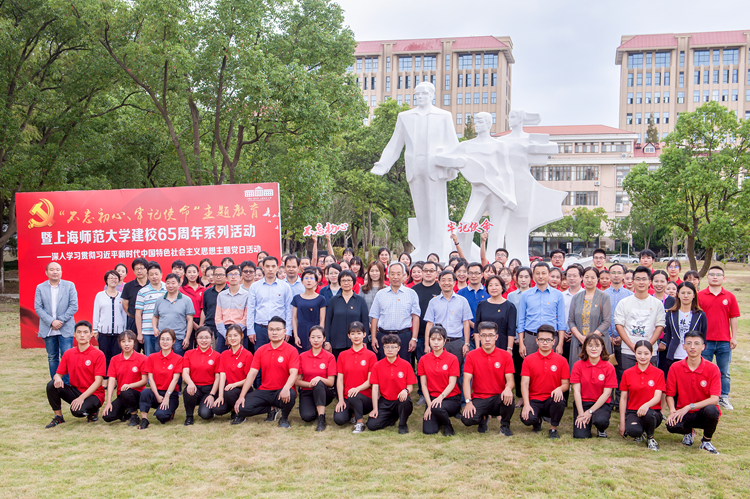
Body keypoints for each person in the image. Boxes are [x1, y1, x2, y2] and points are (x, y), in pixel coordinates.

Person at [233, 317, 299, 428]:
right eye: (271, 329)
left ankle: (284, 418)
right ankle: (271, 409)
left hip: (281, 390)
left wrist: (286, 387)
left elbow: (294, 373)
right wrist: (242, 396)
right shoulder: (261, 350)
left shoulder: (291, 350)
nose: (274, 332)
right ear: (267, 331)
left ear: (284, 331)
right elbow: (252, 374)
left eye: (278, 329)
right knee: (241, 408)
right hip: (264, 390)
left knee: (291, 394)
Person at [665, 331, 722, 454]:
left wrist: (689, 406)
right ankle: (689, 432)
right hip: (683, 413)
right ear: (683, 346)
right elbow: (669, 394)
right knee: (671, 425)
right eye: (689, 343)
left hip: (702, 412)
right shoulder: (675, 367)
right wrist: (672, 411)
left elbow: (714, 399)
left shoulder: (713, 369)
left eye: (696, 343)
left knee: (712, 410)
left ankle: (706, 441)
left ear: (703, 347)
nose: (692, 347)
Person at [44, 321, 105, 428]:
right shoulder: (68, 353)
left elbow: (98, 381)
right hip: (76, 391)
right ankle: (58, 417)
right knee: (51, 385)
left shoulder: (98, 354)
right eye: (79, 332)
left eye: (85, 332)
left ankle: (93, 410)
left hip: (94, 394)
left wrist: (81, 398)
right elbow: (58, 374)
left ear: (91, 335)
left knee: (77, 412)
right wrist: (57, 378)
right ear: (74, 334)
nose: (82, 335)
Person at [461, 322, 515, 436]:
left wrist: (508, 388)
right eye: (484, 335)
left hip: (498, 397)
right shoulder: (471, 355)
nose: (487, 339)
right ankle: (483, 419)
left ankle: (505, 425)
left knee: (509, 398)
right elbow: (466, 380)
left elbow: (510, 380)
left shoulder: (505, 355)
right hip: (480, 397)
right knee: (467, 419)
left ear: (496, 337)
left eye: (490, 335)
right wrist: (468, 401)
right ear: (479, 337)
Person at [697, 266, 740, 410]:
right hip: (705, 341)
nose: (715, 277)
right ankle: (704, 396)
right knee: (704, 370)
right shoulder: (700, 295)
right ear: (708, 277)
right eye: (712, 274)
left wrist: (734, 337)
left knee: (724, 372)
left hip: (724, 341)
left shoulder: (729, 296)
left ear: (723, 278)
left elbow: (733, 317)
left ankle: (723, 397)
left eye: (718, 275)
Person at [519, 325, 570, 438]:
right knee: (527, 419)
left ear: (554, 342)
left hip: (552, 399)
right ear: (537, 341)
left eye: (548, 340)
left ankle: (553, 428)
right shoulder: (528, 360)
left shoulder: (561, 360)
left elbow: (566, 384)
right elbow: (524, 384)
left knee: (560, 400)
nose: (545, 343)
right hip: (534, 399)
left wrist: (559, 389)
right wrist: (526, 404)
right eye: (542, 339)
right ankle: (537, 421)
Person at [615, 266, 666, 371]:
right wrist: (630, 345)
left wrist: (647, 346)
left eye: (644, 279)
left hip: (650, 352)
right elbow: (619, 325)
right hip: (628, 351)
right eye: (638, 279)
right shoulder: (624, 303)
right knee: (628, 378)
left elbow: (660, 326)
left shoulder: (657, 304)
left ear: (649, 282)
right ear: (633, 281)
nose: (641, 282)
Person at [618, 340, 665, 451]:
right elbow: (623, 398)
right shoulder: (627, 373)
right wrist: (622, 422)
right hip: (633, 411)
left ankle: (650, 438)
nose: (642, 356)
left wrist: (646, 405)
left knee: (648, 414)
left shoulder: (659, 373)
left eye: (646, 353)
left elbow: (658, 396)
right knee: (633, 431)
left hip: (652, 412)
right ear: (635, 354)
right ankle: (641, 432)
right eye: (639, 353)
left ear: (651, 354)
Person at [35, 262, 79, 380]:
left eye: (58, 269)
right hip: (48, 328)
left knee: (66, 356)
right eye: (52, 269)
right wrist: (51, 322)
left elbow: (74, 306)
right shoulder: (40, 287)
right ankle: (55, 383)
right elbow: (38, 307)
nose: (55, 272)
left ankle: (67, 384)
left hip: (65, 326)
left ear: (61, 272)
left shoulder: (69, 285)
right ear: (46, 272)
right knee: (52, 357)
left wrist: (59, 321)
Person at [366, 334, 417, 433]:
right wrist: (375, 409)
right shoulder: (377, 365)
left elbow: (410, 387)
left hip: (400, 400)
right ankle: (392, 418)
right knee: (371, 425)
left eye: (393, 347)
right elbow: (375, 389)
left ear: (398, 348)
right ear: (383, 348)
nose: (390, 350)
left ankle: (402, 424)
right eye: (387, 347)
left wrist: (405, 391)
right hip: (385, 401)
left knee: (405, 401)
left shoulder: (406, 365)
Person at [369, 262, 420, 360]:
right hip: (384, 335)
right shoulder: (380, 294)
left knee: (404, 365)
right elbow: (375, 317)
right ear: (388, 275)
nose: (395, 277)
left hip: (404, 336)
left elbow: (415, 317)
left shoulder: (411, 294)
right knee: (383, 364)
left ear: (404, 275)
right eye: (392, 274)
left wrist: (414, 338)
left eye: (398, 274)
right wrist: (374, 337)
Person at [424, 270, 472, 373]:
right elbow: (429, 324)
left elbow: (466, 323)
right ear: (439, 282)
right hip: (438, 342)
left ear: (454, 282)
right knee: (438, 371)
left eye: (449, 280)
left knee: (456, 372)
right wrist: (427, 344)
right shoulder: (433, 302)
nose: (446, 283)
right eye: (443, 280)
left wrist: (466, 344)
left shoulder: (462, 301)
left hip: (456, 343)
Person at [570, 334, 617, 438]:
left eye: (597, 345)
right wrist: (581, 413)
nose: (593, 348)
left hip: (601, 404)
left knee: (601, 420)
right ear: (585, 348)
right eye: (590, 345)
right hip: (583, 403)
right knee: (580, 436)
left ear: (602, 348)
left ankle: (601, 429)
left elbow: (607, 394)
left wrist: (590, 412)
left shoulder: (609, 367)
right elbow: (576, 391)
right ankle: (588, 422)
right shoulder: (577, 365)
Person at [333, 322, 377, 432]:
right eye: (352, 333)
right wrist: (341, 400)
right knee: (339, 419)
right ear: (349, 336)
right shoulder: (343, 355)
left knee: (355, 395)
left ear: (364, 335)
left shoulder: (371, 355)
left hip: (365, 398)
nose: (356, 336)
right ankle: (352, 413)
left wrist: (357, 389)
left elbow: (370, 380)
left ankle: (360, 423)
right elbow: (340, 380)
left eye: (359, 333)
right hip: (347, 397)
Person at [418, 326, 461, 436]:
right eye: (433, 339)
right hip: (432, 399)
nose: (436, 342)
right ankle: (439, 416)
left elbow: (452, 383)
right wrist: (429, 405)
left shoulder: (452, 358)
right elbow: (423, 384)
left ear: (444, 341)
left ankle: (447, 426)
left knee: (438, 407)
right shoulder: (423, 359)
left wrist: (440, 398)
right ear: (429, 340)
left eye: (439, 339)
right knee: (429, 431)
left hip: (450, 398)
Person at [517, 263, 566, 358]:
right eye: (537, 273)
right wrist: (521, 344)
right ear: (533, 275)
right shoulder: (525, 295)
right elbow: (521, 320)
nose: (540, 276)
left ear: (549, 275)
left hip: (551, 338)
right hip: (531, 337)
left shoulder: (558, 295)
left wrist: (560, 344)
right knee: (531, 365)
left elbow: (561, 321)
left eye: (543, 273)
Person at [568, 267, 613, 368]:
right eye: (587, 277)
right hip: (579, 340)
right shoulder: (576, 297)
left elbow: (606, 321)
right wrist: (580, 337)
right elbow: (571, 321)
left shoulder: (604, 297)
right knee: (579, 370)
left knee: (599, 371)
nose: (589, 280)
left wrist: (591, 339)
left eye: (593, 277)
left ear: (597, 279)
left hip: (598, 341)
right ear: (582, 278)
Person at [138, 328, 182, 429]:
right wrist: (157, 395)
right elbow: (150, 378)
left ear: (173, 341)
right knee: (145, 392)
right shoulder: (152, 357)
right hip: (156, 392)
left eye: (168, 339)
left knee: (162, 417)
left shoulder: (178, 358)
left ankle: (169, 411)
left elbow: (175, 380)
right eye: (162, 339)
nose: (165, 342)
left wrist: (167, 396)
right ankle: (144, 419)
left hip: (171, 394)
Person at [247, 257, 294, 351]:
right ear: (263, 268)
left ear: (277, 268)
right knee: (261, 355)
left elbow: (289, 309)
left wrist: (288, 330)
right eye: (267, 266)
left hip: (279, 328)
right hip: (260, 328)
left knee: (279, 356)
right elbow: (251, 309)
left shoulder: (285, 286)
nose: (270, 269)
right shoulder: (255, 286)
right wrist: (250, 330)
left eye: (273, 266)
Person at [101, 330, 148, 425]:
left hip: (138, 394)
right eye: (123, 341)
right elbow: (111, 381)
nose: (126, 344)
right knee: (107, 416)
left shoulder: (142, 358)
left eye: (129, 341)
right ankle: (126, 411)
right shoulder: (114, 360)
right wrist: (108, 402)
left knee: (126, 391)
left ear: (134, 342)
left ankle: (134, 416)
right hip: (123, 395)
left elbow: (144, 381)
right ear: (119, 343)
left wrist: (130, 385)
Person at [411, 260, 441, 404]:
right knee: (422, 365)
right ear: (422, 272)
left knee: (437, 366)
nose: (428, 273)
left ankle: (437, 391)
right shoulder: (414, 290)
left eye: (431, 270)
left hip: (438, 335)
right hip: (420, 334)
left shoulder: (441, 288)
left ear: (436, 273)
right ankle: (422, 393)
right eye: (426, 270)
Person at [296, 326, 337, 431]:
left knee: (318, 383)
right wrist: (310, 384)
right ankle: (314, 408)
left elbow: (331, 382)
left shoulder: (330, 357)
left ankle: (321, 418)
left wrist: (319, 378)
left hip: (324, 392)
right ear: (309, 339)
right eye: (313, 337)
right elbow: (297, 381)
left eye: (319, 337)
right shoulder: (302, 356)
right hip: (307, 391)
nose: (316, 340)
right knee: (307, 417)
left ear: (324, 339)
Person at [661, 282, 707, 377]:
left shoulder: (700, 315)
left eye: (689, 293)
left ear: (694, 295)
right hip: (674, 356)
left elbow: (703, 335)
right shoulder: (671, 314)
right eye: (683, 293)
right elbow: (668, 334)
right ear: (678, 294)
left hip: (693, 356)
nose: (686, 296)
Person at [604, 263, 633, 408]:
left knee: (623, 371)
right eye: (613, 272)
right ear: (609, 275)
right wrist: (607, 336)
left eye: (619, 272)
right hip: (606, 339)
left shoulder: (630, 295)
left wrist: (622, 336)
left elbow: (632, 318)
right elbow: (601, 317)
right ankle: (608, 400)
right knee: (608, 371)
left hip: (624, 339)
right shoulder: (603, 294)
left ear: (624, 275)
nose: (616, 275)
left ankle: (620, 400)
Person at [211, 325, 253, 420]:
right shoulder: (224, 354)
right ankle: (233, 409)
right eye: (229, 336)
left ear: (241, 336)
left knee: (230, 393)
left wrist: (235, 384)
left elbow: (249, 379)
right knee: (217, 409)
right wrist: (220, 396)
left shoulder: (247, 355)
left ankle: (240, 414)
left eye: (235, 335)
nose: (232, 338)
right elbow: (222, 376)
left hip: (243, 389)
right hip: (229, 390)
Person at [324, 270, 369, 358]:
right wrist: (327, 341)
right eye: (343, 280)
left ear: (354, 282)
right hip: (336, 343)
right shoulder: (334, 300)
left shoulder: (360, 300)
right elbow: (328, 321)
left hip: (356, 342)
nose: (346, 283)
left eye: (349, 280)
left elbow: (365, 322)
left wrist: (365, 341)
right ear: (340, 282)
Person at [181, 326, 220, 425]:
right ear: (196, 338)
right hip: (194, 387)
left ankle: (209, 411)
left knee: (205, 414)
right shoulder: (189, 354)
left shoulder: (217, 355)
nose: (204, 340)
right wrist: (190, 383)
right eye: (201, 337)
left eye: (207, 337)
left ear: (211, 338)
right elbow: (185, 372)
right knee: (188, 391)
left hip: (209, 389)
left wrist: (212, 395)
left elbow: (218, 378)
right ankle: (189, 416)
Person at [92, 270, 128, 377]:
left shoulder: (122, 296)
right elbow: (96, 313)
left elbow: (124, 314)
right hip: (104, 332)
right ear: (106, 280)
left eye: (115, 278)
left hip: (119, 333)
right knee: (104, 357)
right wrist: (95, 330)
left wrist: (125, 331)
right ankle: (105, 378)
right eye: (111, 278)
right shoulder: (100, 295)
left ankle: (116, 378)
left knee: (117, 357)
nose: (113, 280)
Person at [152, 273, 195, 356]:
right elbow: (155, 316)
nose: (170, 285)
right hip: (161, 338)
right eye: (168, 283)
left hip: (178, 338)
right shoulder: (159, 300)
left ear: (179, 284)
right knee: (160, 360)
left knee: (177, 361)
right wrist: (154, 328)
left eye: (173, 283)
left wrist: (187, 338)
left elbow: (190, 320)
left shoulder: (186, 300)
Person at [507, 266, 532, 405]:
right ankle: (520, 396)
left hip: (531, 335)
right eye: (520, 276)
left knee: (532, 368)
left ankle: (532, 394)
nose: (523, 279)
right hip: (516, 336)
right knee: (518, 367)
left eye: (526, 277)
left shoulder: (534, 294)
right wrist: (515, 336)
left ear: (531, 279)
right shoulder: (511, 296)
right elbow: (511, 318)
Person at [474, 276, 516, 352]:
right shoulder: (481, 305)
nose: (493, 288)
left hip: (502, 344)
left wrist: (509, 349)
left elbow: (511, 330)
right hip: (484, 344)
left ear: (502, 287)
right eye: (490, 285)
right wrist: (477, 347)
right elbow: (477, 328)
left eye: (496, 285)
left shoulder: (509, 306)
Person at [214, 265, 249, 353]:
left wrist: (236, 332)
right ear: (226, 278)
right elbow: (218, 317)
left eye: (236, 274)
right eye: (230, 274)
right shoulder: (221, 295)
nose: (233, 277)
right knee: (222, 357)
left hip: (240, 330)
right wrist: (226, 335)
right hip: (224, 330)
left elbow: (246, 317)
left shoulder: (247, 295)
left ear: (241, 277)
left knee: (241, 357)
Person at [135, 262, 166, 356]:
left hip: (165, 331)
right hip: (148, 331)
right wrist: (139, 333)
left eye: (156, 274)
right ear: (148, 276)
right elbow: (138, 314)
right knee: (150, 358)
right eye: (151, 274)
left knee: (164, 357)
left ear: (161, 275)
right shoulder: (142, 292)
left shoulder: (168, 289)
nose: (154, 276)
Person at [291, 268, 326, 352]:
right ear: (302, 281)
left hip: (315, 330)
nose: (309, 281)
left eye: (312, 278)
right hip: (301, 331)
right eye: (306, 278)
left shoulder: (321, 299)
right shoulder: (297, 298)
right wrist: (295, 335)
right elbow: (294, 318)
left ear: (316, 282)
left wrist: (319, 335)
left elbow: (322, 319)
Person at [457, 262, 490, 345]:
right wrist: (476, 328)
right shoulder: (461, 293)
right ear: (467, 275)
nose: (473, 276)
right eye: (471, 273)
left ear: (482, 274)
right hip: (465, 335)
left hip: (486, 335)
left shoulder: (488, 292)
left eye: (476, 273)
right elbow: (459, 314)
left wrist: (481, 331)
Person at [121, 258, 149, 346]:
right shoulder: (128, 286)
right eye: (137, 269)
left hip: (148, 322)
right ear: (133, 271)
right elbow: (125, 305)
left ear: (146, 269)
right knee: (133, 347)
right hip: (133, 321)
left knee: (149, 349)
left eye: (141, 268)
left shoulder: (152, 285)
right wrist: (133, 316)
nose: (139, 271)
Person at [200, 266, 226, 343]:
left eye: (221, 275)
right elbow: (205, 309)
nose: (218, 277)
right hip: (210, 327)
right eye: (216, 275)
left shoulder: (229, 292)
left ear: (226, 276)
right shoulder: (207, 292)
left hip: (225, 327)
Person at [181, 264, 205, 338]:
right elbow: (182, 309)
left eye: (194, 272)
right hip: (186, 321)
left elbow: (204, 308)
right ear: (185, 274)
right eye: (189, 272)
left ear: (198, 273)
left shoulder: (203, 289)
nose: (192, 274)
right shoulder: (181, 290)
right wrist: (194, 325)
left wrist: (200, 326)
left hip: (201, 320)